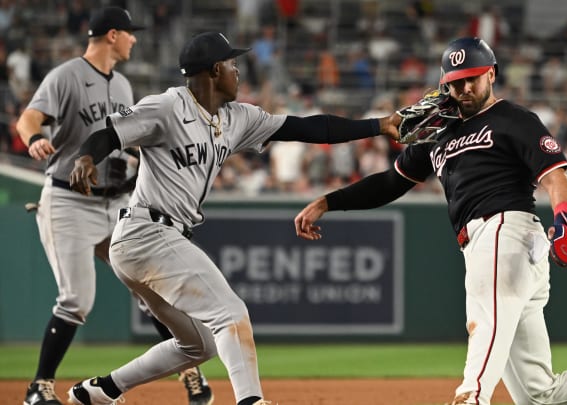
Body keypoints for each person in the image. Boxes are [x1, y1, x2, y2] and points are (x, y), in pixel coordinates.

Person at [293, 37, 567, 405]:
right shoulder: (438, 130)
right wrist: (329, 201)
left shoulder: (514, 119)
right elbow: (389, 183)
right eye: (454, 82)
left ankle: (471, 395)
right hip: (488, 248)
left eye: (471, 78)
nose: (463, 89)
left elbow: (556, 176)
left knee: (484, 320)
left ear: (491, 74)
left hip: (507, 231)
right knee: (538, 395)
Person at [66, 31, 400, 405]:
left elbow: (308, 127)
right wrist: (84, 158)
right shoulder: (167, 106)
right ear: (213, 71)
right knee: (231, 313)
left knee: (199, 345)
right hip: (146, 232)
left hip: (152, 241)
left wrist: (378, 125)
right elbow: (108, 134)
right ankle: (250, 401)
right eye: (232, 64)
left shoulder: (237, 118)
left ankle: (99, 391)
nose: (238, 71)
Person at [16, 7, 212, 405]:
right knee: (76, 299)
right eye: (129, 33)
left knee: (153, 291)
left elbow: (126, 136)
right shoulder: (66, 75)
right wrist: (35, 137)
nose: (134, 39)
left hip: (117, 202)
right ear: (111, 35)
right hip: (68, 201)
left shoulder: (122, 85)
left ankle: (191, 374)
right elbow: (28, 119)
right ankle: (39, 388)